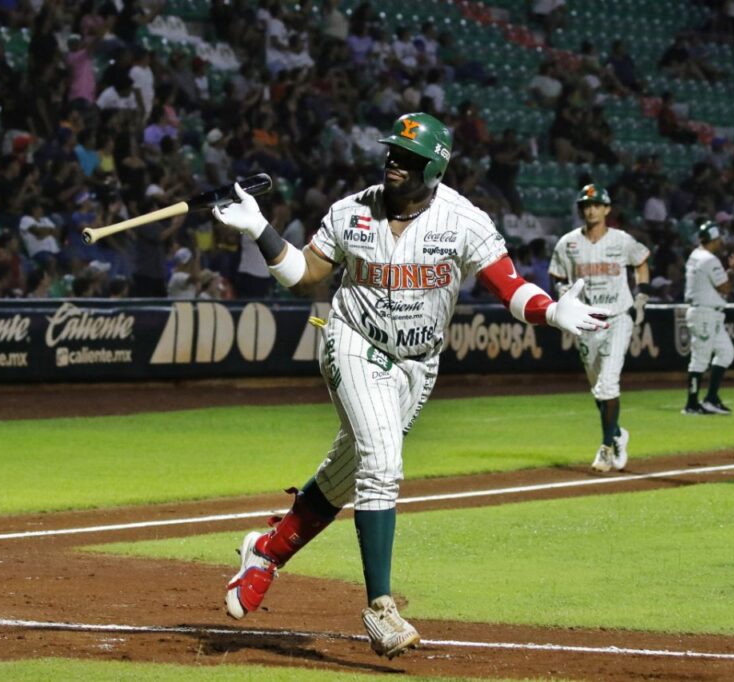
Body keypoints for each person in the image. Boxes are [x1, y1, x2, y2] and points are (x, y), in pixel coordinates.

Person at [211, 112, 607, 659]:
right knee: (381, 463)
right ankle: (380, 609)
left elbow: (509, 287)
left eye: (410, 157)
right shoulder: (352, 212)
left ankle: (266, 553)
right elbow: (304, 274)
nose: (395, 161)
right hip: (351, 339)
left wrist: (551, 311)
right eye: (392, 152)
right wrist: (260, 229)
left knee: (348, 472)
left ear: (436, 167)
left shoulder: (463, 221)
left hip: (418, 364)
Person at [548, 184, 651, 473]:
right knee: (597, 388)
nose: (590, 209)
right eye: (585, 204)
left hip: (618, 316)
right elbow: (556, 274)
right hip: (587, 320)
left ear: (607, 209)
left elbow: (642, 261)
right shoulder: (568, 243)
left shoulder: (622, 240)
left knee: (608, 383)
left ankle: (606, 447)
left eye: (595, 204)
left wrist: (641, 294)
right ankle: (617, 433)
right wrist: (563, 293)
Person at [682, 221, 734, 415]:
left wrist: (729, 272)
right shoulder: (708, 259)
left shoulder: (695, 255)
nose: (721, 242)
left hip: (710, 313)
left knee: (726, 352)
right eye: (719, 238)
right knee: (700, 359)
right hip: (704, 313)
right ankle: (692, 404)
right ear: (714, 239)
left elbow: (719, 285)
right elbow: (726, 288)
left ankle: (711, 398)